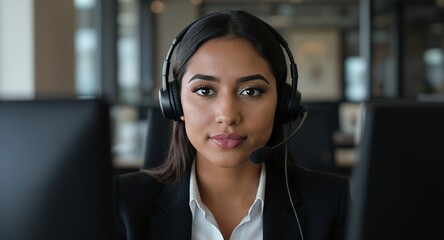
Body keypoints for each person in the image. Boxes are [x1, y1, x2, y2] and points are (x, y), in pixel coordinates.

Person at [116, 10, 350, 240]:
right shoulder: (121, 203)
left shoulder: (330, 203)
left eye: (251, 91)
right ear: (175, 104)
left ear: (282, 104)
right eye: (205, 90)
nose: (227, 115)